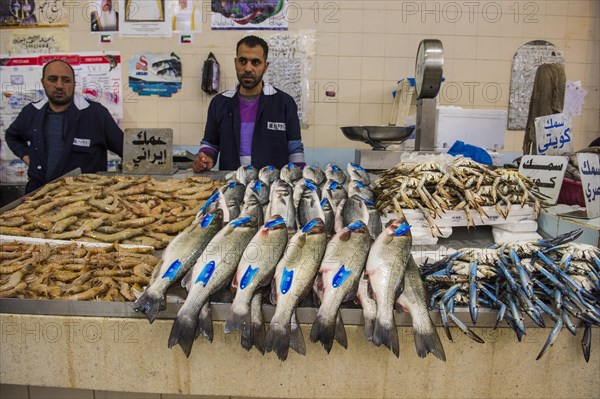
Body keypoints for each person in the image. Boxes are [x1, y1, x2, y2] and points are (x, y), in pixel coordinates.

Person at [4, 59, 124, 193]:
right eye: (53, 79)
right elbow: (12, 136)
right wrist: (28, 159)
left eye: (66, 80)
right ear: (43, 82)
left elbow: (126, 150)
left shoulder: (96, 114)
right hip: (38, 196)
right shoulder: (31, 112)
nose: (59, 85)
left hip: (84, 200)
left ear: (73, 84)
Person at [193, 35, 305, 172]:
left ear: (265, 66)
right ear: (235, 63)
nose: (248, 68)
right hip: (232, 185)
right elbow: (210, 143)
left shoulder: (284, 103)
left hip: (273, 187)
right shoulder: (219, 103)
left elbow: (295, 149)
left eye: (255, 62)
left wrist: (298, 178)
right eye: (243, 61)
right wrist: (205, 158)